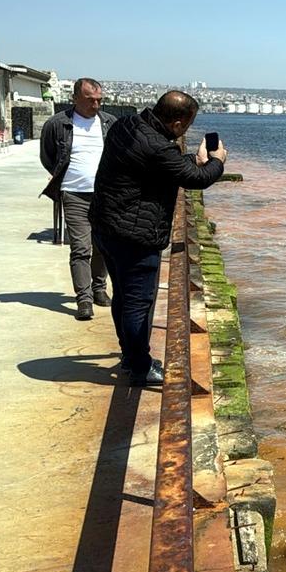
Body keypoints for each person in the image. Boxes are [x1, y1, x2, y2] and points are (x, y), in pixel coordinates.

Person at [91, 91, 227, 386]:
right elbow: (196, 179)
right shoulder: (158, 148)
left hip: (105, 227)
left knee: (124, 297)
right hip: (134, 237)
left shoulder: (126, 124)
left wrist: (193, 159)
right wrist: (216, 161)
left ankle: (130, 355)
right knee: (138, 303)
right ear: (178, 124)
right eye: (187, 125)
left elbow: (158, 164)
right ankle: (139, 366)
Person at [40, 78, 117, 320]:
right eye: (90, 100)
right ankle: (83, 299)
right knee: (80, 248)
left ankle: (98, 289)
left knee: (102, 246)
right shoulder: (57, 124)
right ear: (75, 98)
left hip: (105, 195)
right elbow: (48, 157)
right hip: (74, 194)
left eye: (99, 100)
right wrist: (65, 178)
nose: (95, 104)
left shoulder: (109, 123)